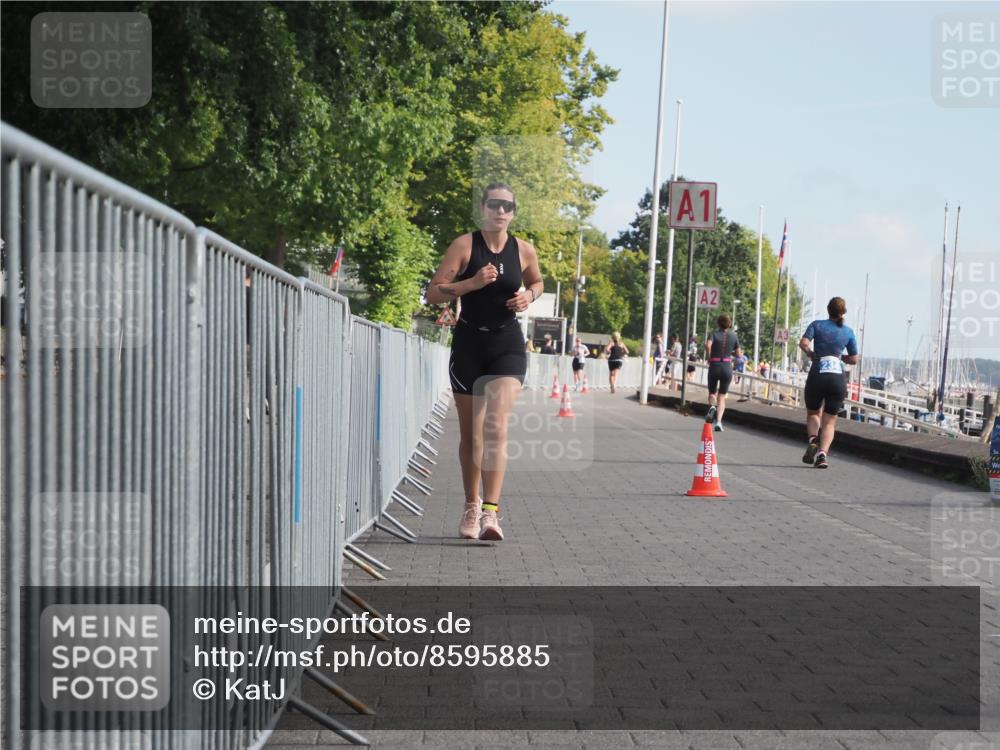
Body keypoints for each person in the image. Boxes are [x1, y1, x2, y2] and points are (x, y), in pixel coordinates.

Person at [426, 182, 543, 539]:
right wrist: (471, 284)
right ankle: (471, 506)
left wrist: (529, 297)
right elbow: (432, 293)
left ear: (514, 212)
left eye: (507, 206)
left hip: (507, 344)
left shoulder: (523, 250)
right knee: (472, 436)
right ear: (483, 208)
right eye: (494, 204)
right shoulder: (465, 245)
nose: (501, 211)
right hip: (468, 346)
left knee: (496, 426)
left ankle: (491, 513)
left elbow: (538, 282)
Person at [798, 297, 859, 469]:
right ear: (843, 312)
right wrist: (840, 357)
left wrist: (811, 353)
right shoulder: (848, 331)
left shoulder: (817, 325)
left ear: (828, 309)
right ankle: (822, 455)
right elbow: (854, 359)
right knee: (830, 421)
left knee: (813, 413)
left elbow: (803, 343)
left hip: (818, 374)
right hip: (837, 378)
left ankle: (812, 440)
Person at [703, 314, 742, 432]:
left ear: (718, 323)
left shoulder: (713, 334)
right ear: (729, 324)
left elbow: (707, 345)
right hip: (726, 367)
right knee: (722, 396)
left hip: (714, 365)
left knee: (712, 393)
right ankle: (719, 422)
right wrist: (731, 352)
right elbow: (739, 355)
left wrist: (709, 356)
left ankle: (712, 407)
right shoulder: (734, 336)